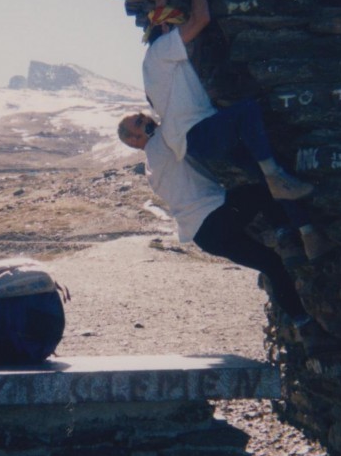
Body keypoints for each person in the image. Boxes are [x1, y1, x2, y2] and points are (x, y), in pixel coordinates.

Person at [141, 0, 312, 203]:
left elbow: (159, 5)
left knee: (268, 170)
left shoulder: (157, 60)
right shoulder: (162, 50)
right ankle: (276, 181)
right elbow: (202, 19)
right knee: (248, 113)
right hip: (199, 133)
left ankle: (301, 231)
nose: (182, 29)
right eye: (176, 24)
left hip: (199, 137)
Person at [117, 112, 312, 327]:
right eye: (139, 122)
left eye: (144, 116)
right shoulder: (161, 142)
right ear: (133, 140)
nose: (147, 121)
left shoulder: (151, 168)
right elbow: (175, 112)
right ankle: (286, 235)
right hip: (215, 215)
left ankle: (302, 323)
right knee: (262, 190)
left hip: (205, 237)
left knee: (272, 265)